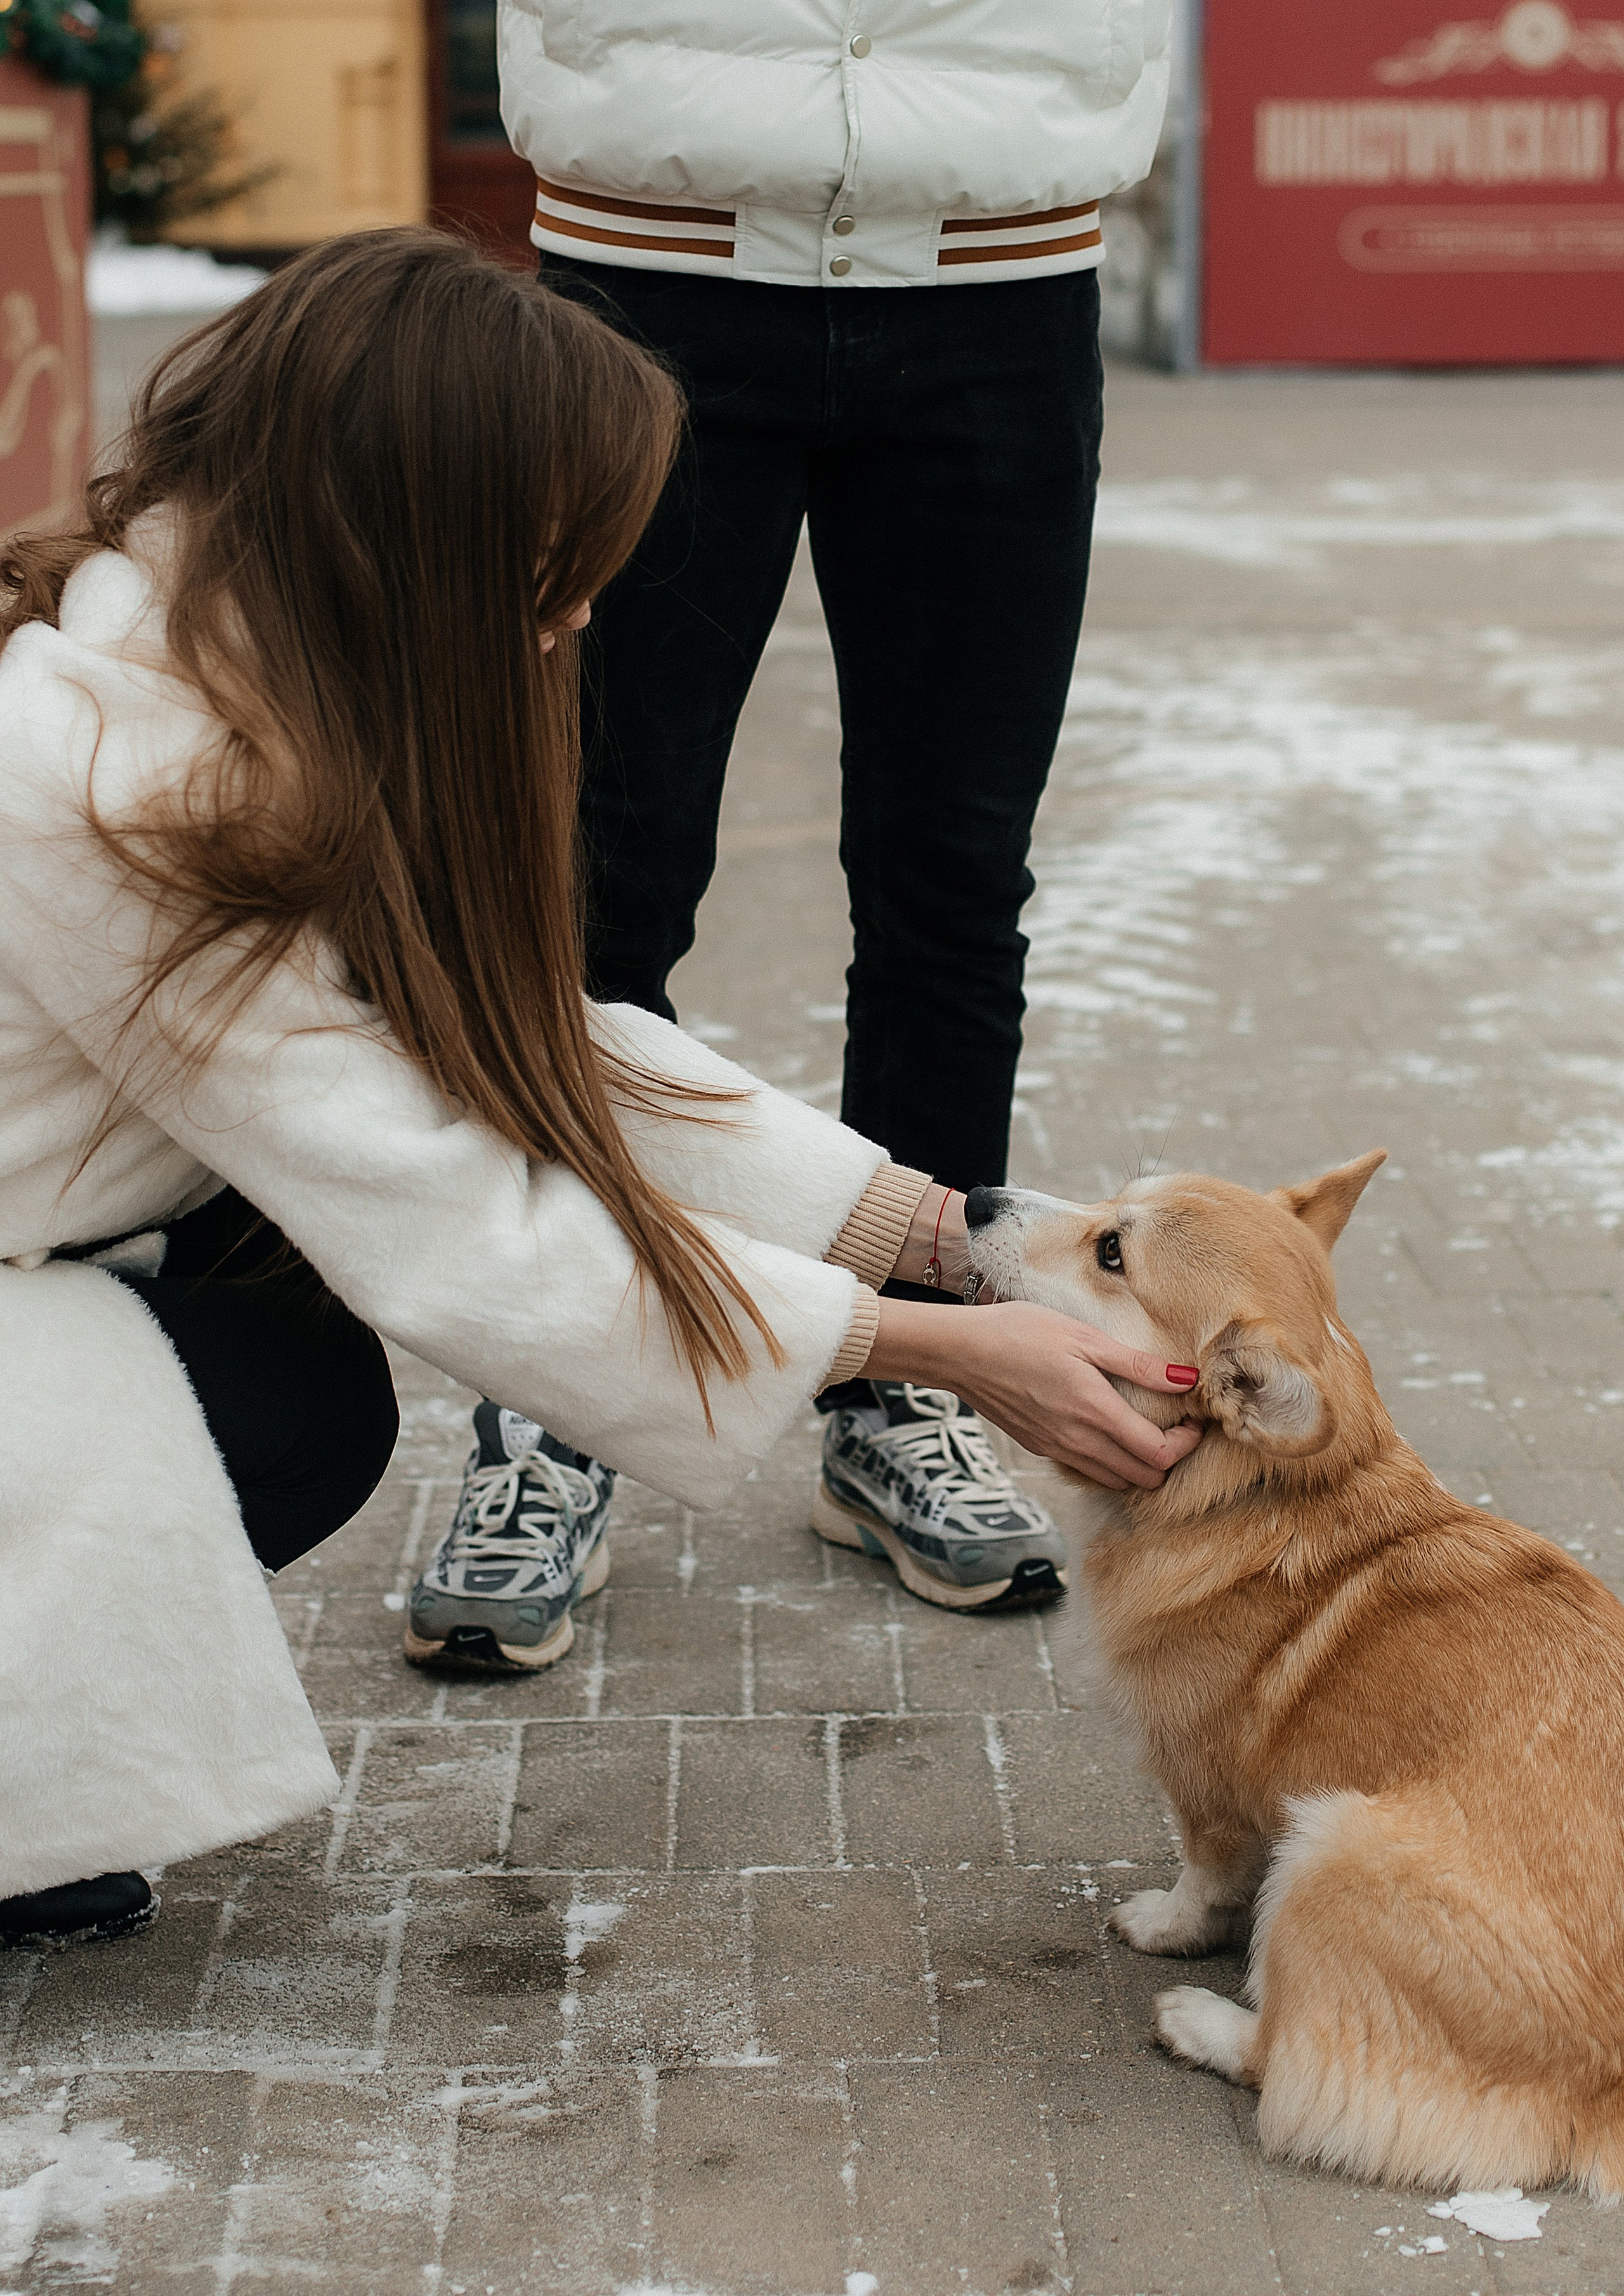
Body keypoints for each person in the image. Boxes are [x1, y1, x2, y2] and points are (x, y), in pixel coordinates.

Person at [0, 228, 1198, 1948]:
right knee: (280, 1398)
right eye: (553, 566)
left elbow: (533, 1045)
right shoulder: (114, 785)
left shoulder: (246, 657)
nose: (574, 616)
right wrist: (925, 1352)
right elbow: (440, 1211)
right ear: (415, 536)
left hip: (54, 1247)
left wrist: (955, 1241)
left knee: (281, 1359)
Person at [410, 0, 1172, 1655]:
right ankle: (566, 1385)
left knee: (953, 879)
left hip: (999, 265)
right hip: (654, 266)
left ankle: (904, 1391)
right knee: (590, 886)